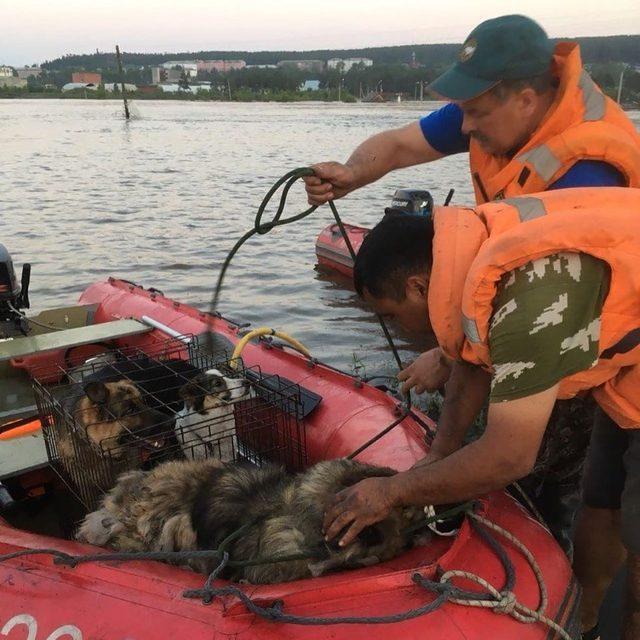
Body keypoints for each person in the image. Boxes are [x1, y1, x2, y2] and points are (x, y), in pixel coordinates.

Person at [322, 189, 640, 639]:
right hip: (626, 373)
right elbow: (473, 358)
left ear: (417, 286)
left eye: (393, 315)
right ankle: (584, 621)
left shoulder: (531, 301)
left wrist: (392, 492)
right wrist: (440, 453)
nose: (398, 329)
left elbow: (509, 457)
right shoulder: (470, 251)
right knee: (601, 498)